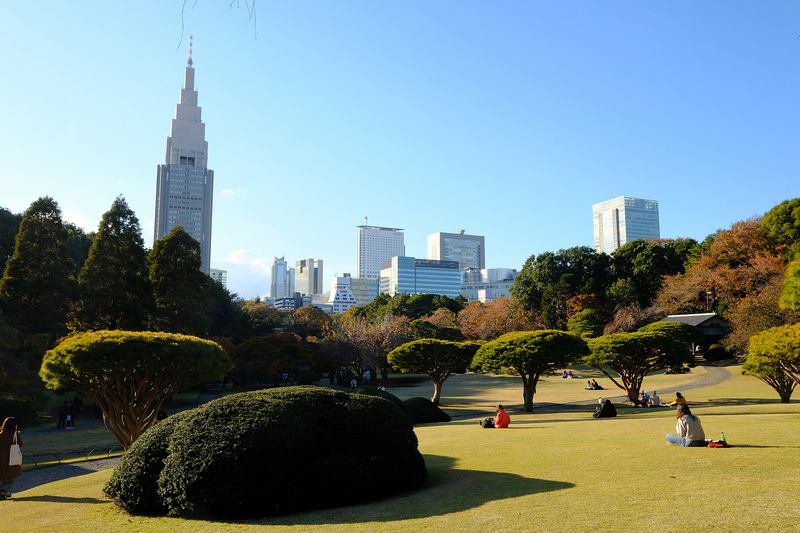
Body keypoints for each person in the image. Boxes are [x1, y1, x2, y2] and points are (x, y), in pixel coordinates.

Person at [0, 417, 23, 499]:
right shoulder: (14, 434)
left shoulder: (1, 434)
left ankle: (2, 493)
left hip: (1, 457)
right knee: (15, 474)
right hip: (11, 457)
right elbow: (20, 444)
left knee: (1, 476)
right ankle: (5, 489)